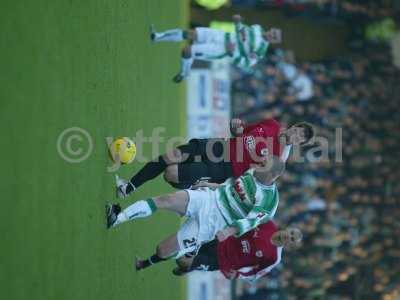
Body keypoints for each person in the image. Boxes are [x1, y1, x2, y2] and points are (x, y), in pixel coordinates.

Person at [106, 156, 285, 266]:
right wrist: (210, 185)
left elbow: (249, 222)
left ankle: (178, 252)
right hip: (209, 198)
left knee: (163, 250)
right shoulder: (254, 170)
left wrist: (228, 231)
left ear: (272, 175)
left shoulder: (269, 202)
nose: (259, 162)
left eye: (264, 163)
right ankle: (117, 218)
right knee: (166, 200)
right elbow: (231, 185)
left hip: (216, 223)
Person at [115, 118, 314, 198]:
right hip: (220, 146)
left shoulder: (278, 159)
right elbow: (241, 132)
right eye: (298, 131)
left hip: (224, 169)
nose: (296, 136)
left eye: (300, 139)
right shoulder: (270, 124)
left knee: (170, 173)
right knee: (170, 156)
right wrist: (235, 127)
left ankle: (186, 184)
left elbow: (253, 179)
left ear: (298, 144)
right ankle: (127, 187)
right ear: (294, 127)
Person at [135, 221, 302, 282]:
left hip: (221, 262)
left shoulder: (274, 258)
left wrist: (238, 275)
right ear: (288, 229)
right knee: (180, 248)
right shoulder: (268, 224)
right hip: (218, 241)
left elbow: (256, 274)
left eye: (293, 240)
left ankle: (188, 266)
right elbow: (244, 222)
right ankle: (144, 263)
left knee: (184, 261)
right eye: (292, 233)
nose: (290, 237)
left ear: (291, 246)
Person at [150, 14, 282, 82]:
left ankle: (184, 73)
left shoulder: (261, 50)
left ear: (273, 41)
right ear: (271, 29)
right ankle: (157, 37)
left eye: (274, 37)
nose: (271, 35)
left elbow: (247, 64)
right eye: (273, 32)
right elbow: (242, 31)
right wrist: (238, 22)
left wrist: (231, 53)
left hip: (221, 50)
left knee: (187, 50)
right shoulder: (257, 28)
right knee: (190, 33)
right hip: (221, 35)